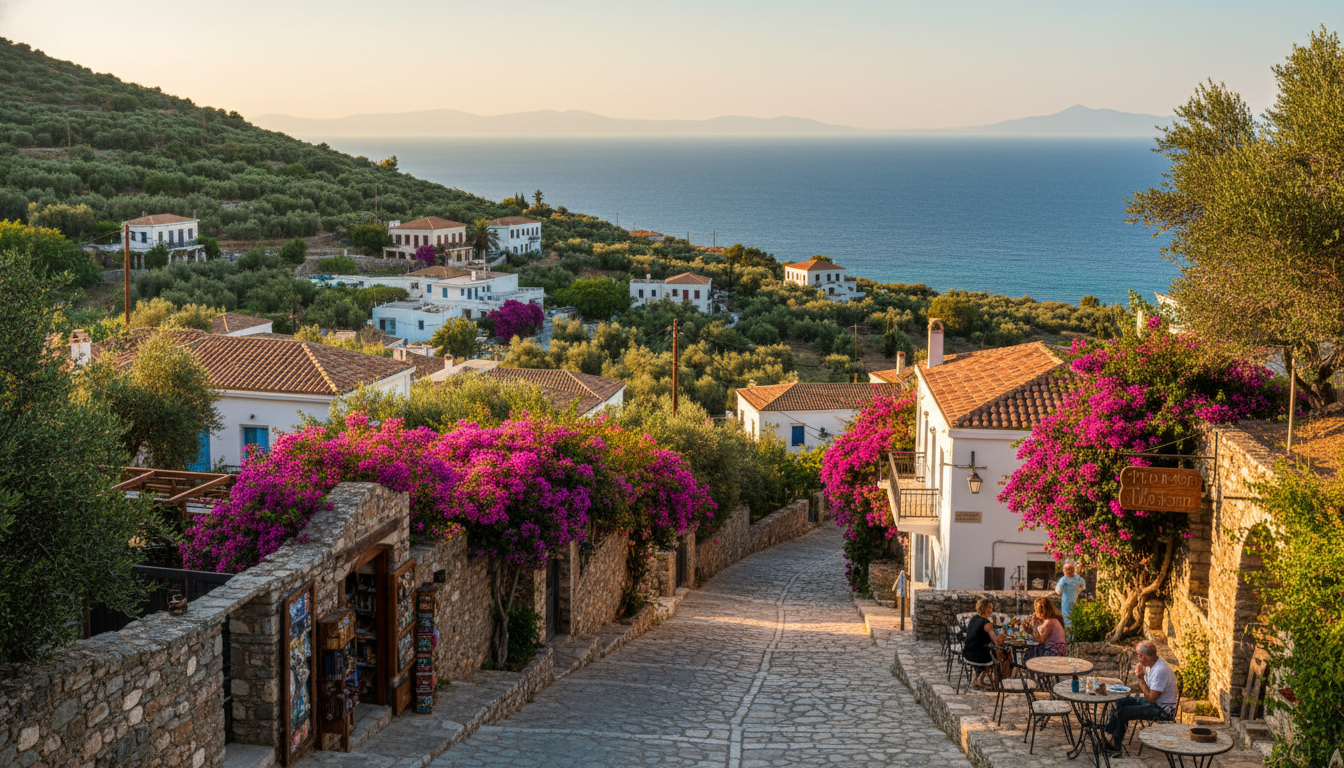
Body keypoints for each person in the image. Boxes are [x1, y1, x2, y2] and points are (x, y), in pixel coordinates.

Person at [1104, 640, 1179, 752]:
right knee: (1119, 701)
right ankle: (1108, 732)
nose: (1138, 659)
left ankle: (1116, 745)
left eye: (1140, 656)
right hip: (1154, 702)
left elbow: (1152, 699)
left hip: (1162, 708)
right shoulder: (1150, 664)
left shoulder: (1160, 670)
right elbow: (1149, 693)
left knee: (1123, 712)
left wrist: (1140, 678)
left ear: (1148, 656)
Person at [962, 598, 1008, 689]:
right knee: (1003, 653)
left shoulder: (973, 619)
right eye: (990, 608)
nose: (991, 610)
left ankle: (978, 679)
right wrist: (1005, 632)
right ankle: (1000, 681)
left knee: (986, 647)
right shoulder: (987, 624)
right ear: (985, 608)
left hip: (967, 653)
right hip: (979, 657)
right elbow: (998, 641)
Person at [1055, 561, 1087, 626]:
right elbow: (1083, 586)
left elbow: (1058, 592)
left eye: (1068, 569)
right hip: (1076, 600)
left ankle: (1069, 634)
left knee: (1067, 619)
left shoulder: (1063, 580)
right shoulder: (1077, 578)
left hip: (1067, 601)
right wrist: (1078, 590)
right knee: (1075, 618)